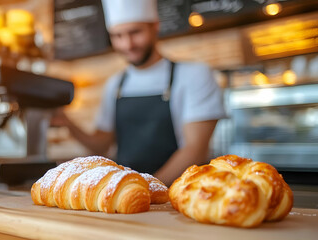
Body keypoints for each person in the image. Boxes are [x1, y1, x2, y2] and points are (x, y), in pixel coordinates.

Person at [52, 0, 226, 185]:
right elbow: (102, 145)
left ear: (155, 26)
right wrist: (68, 124)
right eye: (117, 36)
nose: (127, 44)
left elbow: (195, 149)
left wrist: (146, 188)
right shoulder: (115, 84)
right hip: (129, 195)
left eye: (135, 32)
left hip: (180, 192)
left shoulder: (193, 75)